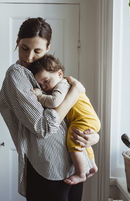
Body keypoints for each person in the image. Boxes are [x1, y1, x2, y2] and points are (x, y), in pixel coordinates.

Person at [0, 17, 100, 201]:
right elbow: (42, 127)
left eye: (37, 51)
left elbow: (72, 117)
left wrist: (93, 137)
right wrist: (75, 91)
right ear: (17, 41)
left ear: (48, 48)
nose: (28, 57)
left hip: (72, 166)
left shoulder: (44, 73)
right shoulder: (16, 75)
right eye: (24, 48)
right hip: (46, 171)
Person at [28, 54, 101, 185]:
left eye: (46, 81)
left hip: (82, 119)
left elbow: (55, 102)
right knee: (82, 143)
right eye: (40, 84)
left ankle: (80, 173)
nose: (44, 87)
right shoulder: (64, 84)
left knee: (73, 140)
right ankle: (92, 165)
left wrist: (40, 96)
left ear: (59, 74)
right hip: (88, 118)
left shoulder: (62, 85)